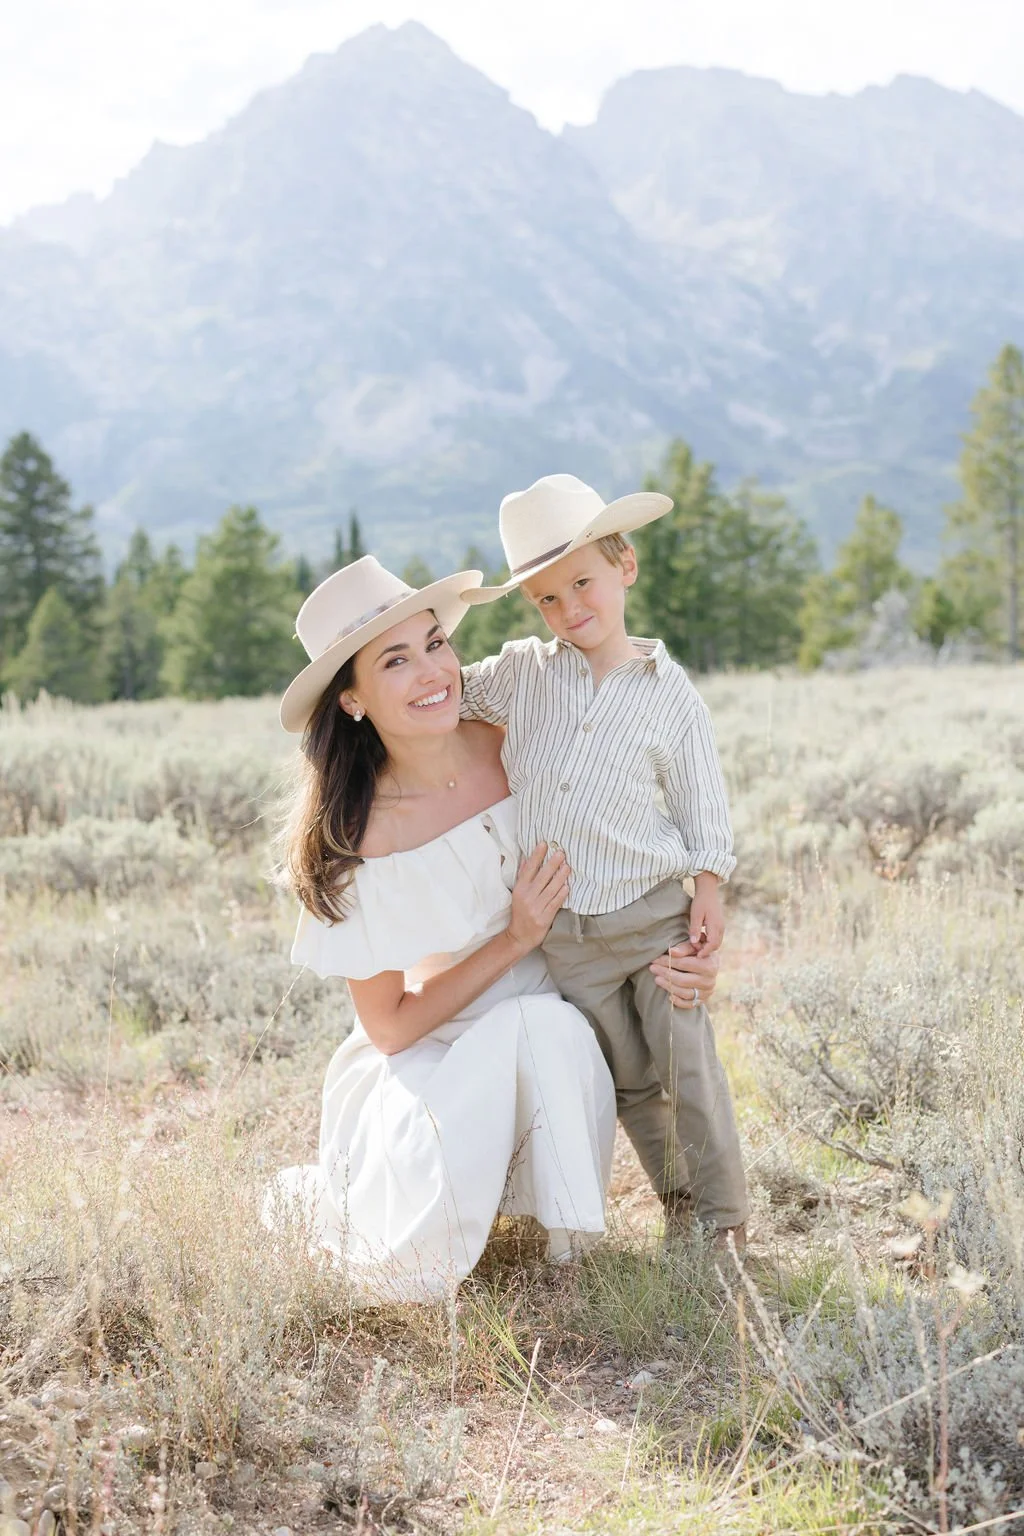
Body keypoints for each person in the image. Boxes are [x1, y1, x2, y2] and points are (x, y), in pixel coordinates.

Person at [267, 556, 715, 1305]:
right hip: (438, 1050)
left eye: (435, 644)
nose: (433, 672)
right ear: (351, 699)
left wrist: (688, 944)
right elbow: (390, 1030)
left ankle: (572, 1254)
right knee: (528, 1034)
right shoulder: (359, 835)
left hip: (570, 1007)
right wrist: (513, 939)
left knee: (549, 1026)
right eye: (396, 661)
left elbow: (639, 834)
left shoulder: (519, 740)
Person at [459, 474, 749, 1249]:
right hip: (565, 934)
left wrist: (709, 889)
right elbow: (442, 694)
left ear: (625, 565)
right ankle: (680, 1211)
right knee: (629, 1084)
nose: (569, 609)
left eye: (581, 582)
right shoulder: (522, 673)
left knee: (687, 1067)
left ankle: (724, 1220)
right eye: (548, 598)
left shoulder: (669, 693)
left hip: (653, 917)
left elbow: (700, 802)